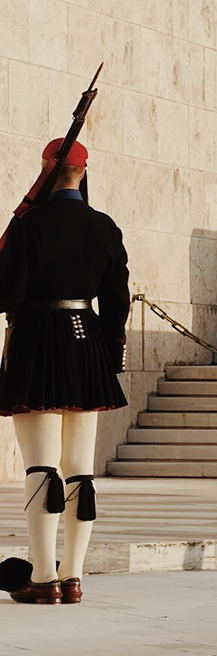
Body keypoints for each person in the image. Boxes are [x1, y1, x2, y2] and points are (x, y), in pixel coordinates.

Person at [0, 138, 130, 604]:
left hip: (39, 342)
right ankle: (72, 577)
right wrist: (110, 352)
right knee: (80, 471)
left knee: (41, 464)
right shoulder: (105, 227)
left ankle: (41, 575)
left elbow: (7, 297)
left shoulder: (28, 225)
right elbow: (117, 302)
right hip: (88, 345)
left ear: (44, 169)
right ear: (83, 173)